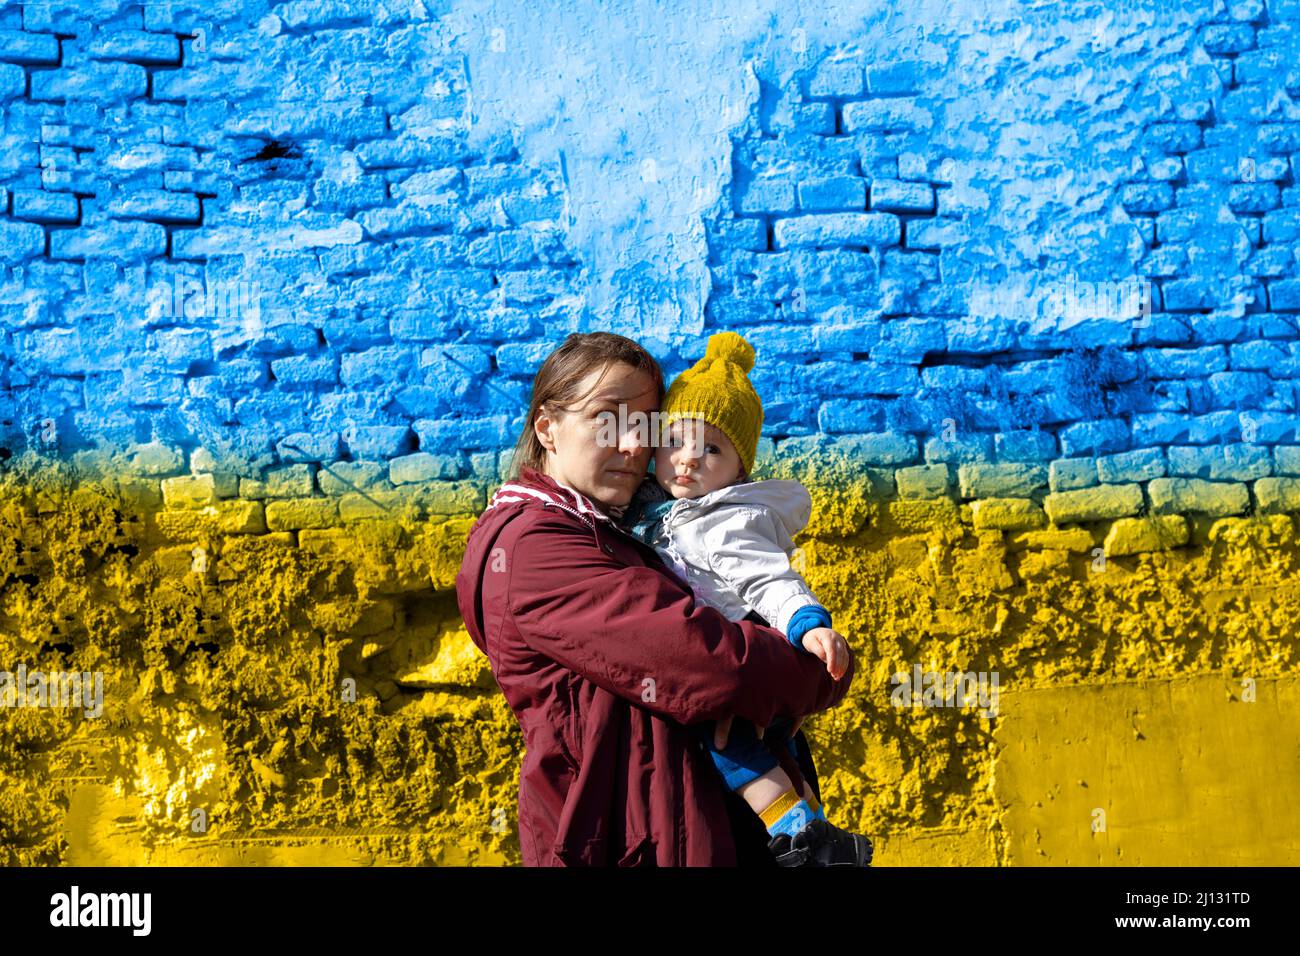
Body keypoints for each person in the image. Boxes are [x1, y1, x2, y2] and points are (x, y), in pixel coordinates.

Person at [454, 331, 856, 865]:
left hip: (685, 834)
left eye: (644, 427)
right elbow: (715, 668)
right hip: (623, 843)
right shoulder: (535, 547)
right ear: (547, 428)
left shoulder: (633, 528)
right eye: (608, 420)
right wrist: (816, 670)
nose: (631, 446)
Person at [619, 331, 872, 865]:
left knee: (729, 745)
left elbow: (769, 581)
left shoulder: (726, 523)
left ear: (740, 470)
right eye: (676, 442)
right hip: (728, 658)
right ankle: (822, 836)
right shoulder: (660, 509)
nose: (688, 459)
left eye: (712, 449)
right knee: (780, 754)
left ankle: (803, 834)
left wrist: (809, 623)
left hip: (748, 656)